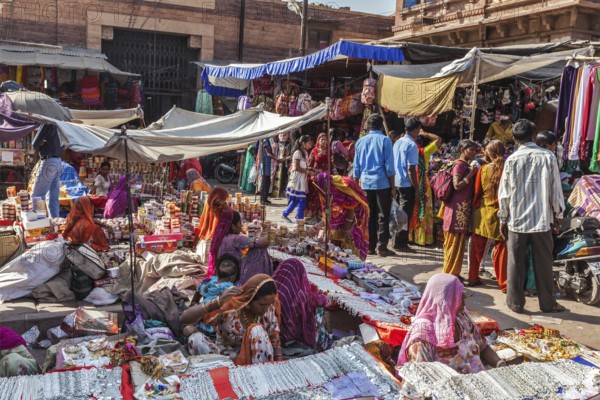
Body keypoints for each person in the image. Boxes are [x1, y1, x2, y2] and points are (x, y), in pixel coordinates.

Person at [498, 119, 567, 313]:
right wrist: (558, 213)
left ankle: (515, 303)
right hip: (542, 220)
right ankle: (547, 303)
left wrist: (503, 218)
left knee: (515, 263)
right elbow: (555, 188)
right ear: (534, 134)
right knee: (544, 263)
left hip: (517, 221)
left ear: (513, 138)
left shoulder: (511, 159)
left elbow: (504, 193)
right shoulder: (548, 156)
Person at [397, 274, 504, 373]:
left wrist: (500, 365)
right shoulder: (423, 334)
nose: (463, 297)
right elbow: (422, 375)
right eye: (457, 294)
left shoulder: (462, 317)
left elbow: (483, 346)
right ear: (443, 299)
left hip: (479, 381)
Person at [181, 274, 283, 365]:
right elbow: (184, 318)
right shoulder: (230, 308)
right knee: (196, 339)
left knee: (257, 330)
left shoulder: (269, 310)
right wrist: (217, 302)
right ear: (249, 300)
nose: (266, 309)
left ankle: (259, 376)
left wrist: (280, 362)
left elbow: (275, 342)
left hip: (254, 362)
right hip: (225, 361)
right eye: (262, 305)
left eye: (269, 304)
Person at [353, 114, 396, 257]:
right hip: (382, 183)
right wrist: (393, 187)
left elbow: (356, 167)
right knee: (383, 215)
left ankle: (370, 246)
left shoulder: (360, 142)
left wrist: (355, 185)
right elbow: (390, 167)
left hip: (365, 183)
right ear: (380, 126)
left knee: (369, 215)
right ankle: (381, 247)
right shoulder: (385, 141)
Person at [469, 140, 507, 289]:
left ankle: (472, 278)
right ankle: (504, 283)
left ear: (489, 153)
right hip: (500, 213)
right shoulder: (506, 168)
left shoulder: (483, 169)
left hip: (483, 212)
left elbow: (477, 192)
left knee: (476, 248)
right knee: (501, 249)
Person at [308, 172, 370, 260]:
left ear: (326, 185)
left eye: (320, 190)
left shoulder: (343, 186)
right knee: (334, 244)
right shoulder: (324, 191)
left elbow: (351, 207)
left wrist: (347, 227)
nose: (320, 193)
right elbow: (328, 212)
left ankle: (354, 261)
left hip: (356, 216)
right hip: (343, 214)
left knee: (349, 240)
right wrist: (318, 226)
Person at [440, 139, 479, 279]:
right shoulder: (459, 165)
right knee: (453, 242)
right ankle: (449, 273)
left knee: (458, 242)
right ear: (463, 150)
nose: (474, 153)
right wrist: (471, 174)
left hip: (462, 208)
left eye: (475, 150)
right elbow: (457, 186)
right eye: (471, 150)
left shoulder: (465, 165)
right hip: (456, 208)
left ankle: (453, 272)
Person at [272, 258, 327, 349]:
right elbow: (315, 299)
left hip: (273, 336)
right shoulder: (300, 295)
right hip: (291, 338)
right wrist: (325, 299)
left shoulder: (274, 288)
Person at [188, 255, 239, 336]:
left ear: (216, 272)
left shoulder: (205, 283)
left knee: (188, 330)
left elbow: (194, 301)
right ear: (233, 277)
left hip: (201, 323)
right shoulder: (233, 289)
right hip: (222, 329)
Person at [409, 130, 442, 246]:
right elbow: (439, 140)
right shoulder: (425, 152)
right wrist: (425, 133)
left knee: (413, 209)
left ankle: (411, 237)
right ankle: (423, 238)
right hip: (422, 182)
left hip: (410, 181)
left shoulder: (408, 149)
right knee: (423, 209)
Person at [214, 211, 270, 277]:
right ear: (233, 226)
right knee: (258, 250)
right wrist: (262, 237)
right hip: (231, 271)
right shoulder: (236, 239)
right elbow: (254, 241)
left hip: (220, 268)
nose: (241, 225)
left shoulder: (219, 236)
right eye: (240, 223)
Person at [393, 118, 421, 251]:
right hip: (405, 184)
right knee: (404, 214)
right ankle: (400, 243)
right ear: (415, 130)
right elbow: (411, 170)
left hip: (397, 181)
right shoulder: (412, 145)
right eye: (419, 130)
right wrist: (416, 188)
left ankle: (396, 240)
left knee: (398, 212)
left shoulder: (398, 142)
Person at [31, 124, 64, 218]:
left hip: (49, 162)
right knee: (53, 197)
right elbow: (65, 145)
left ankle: (40, 221)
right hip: (58, 161)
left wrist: (41, 145)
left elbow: (35, 144)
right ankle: (55, 222)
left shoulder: (47, 123)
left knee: (37, 196)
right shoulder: (60, 124)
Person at [197, 187, 231, 277]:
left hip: (205, 239)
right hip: (213, 241)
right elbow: (231, 213)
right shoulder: (220, 210)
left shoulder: (209, 203)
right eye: (224, 199)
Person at [282, 135, 313, 223]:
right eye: (308, 142)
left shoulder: (305, 153)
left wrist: (310, 169)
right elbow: (296, 167)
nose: (310, 144)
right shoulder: (298, 153)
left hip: (302, 180)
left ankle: (284, 214)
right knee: (301, 200)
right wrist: (307, 172)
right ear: (303, 143)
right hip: (297, 181)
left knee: (295, 200)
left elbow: (304, 166)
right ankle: (299, 221)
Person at [306, 132, 332, 221]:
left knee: (327, 197)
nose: (324, 141)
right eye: (322, 139)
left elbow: (332, 164)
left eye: (326, 139)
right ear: (318, 141)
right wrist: (317, 171)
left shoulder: (329, 151)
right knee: (315, 196)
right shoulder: (314, 151)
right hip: (316, 177)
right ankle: (312, 214)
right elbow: (308, 166)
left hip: (326, 177)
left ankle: (324, 216)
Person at [258, 137, 283, 205]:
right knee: (264, 182)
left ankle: (265, 198)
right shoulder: (265, 141)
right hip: (264, 164)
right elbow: (268, 153)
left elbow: (271, 152)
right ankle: (262, 199)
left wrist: (277, 157)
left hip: (268, 164)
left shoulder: (268, 141)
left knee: (268, 181)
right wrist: (277, 159)